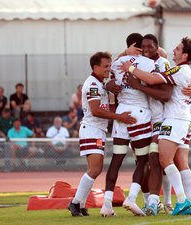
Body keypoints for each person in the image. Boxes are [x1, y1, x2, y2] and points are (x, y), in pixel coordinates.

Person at [119, 37, 191, 215]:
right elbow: (159, 53)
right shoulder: (186, 70)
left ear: (185, 54)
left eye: (178, 49)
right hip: (184, 118)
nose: (174, 51)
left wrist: (130, 68)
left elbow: (153, 79)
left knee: (164, 160)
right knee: (181, 163)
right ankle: (190, 203)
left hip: (174, 118)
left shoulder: (178, 69)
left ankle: (182, 201)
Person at [68, 52, 136, 217]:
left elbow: (105, 107)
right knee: (96, 169)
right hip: (92, 129)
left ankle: (81, 205)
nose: (108, 69)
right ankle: (75, 203)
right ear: (95, 67)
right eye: (105, 66)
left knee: (93, 169)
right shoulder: (92, 84)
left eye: (109, 66)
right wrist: (120, 117)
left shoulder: (100, 83)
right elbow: (96, 110)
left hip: (96, 130)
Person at [101, 33, 155, 217]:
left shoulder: (117, 62)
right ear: (141, 45)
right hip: (139, 113)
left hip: (120, 114)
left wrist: (125, 52)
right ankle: (131, 198)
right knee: (142, 160)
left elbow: (108, 82)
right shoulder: (149, 63)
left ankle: (106, 204)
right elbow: (154, 84)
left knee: (116, 160)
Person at [124, 34, 173, 215]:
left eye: (150, 46)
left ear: (157, 47)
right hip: (144, 119)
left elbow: (165, 94)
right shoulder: (139, 63)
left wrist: (139, 86)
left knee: (156, 160)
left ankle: (160, 201)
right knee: (143, 161)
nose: (146, 49)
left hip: (163, 118)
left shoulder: (162, 64)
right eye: (142, 47)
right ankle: (155, 201)